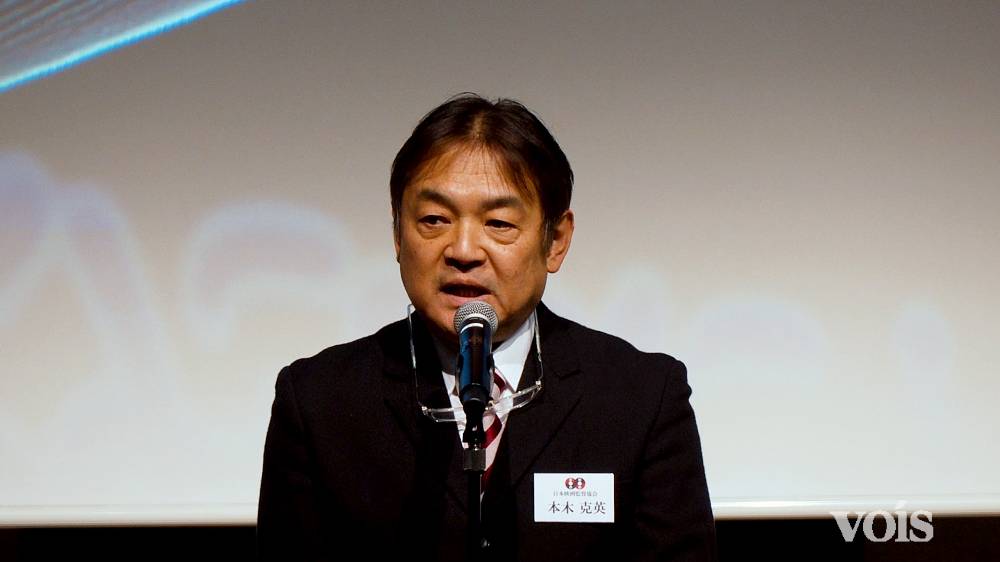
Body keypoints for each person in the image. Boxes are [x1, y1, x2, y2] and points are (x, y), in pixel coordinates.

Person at [256, 94, 717, 561]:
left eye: (498, 223)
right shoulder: (319, 401)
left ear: (556, 241)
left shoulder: (642, 397)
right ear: (397, 232)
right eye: (434, 220)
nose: (463, 250)